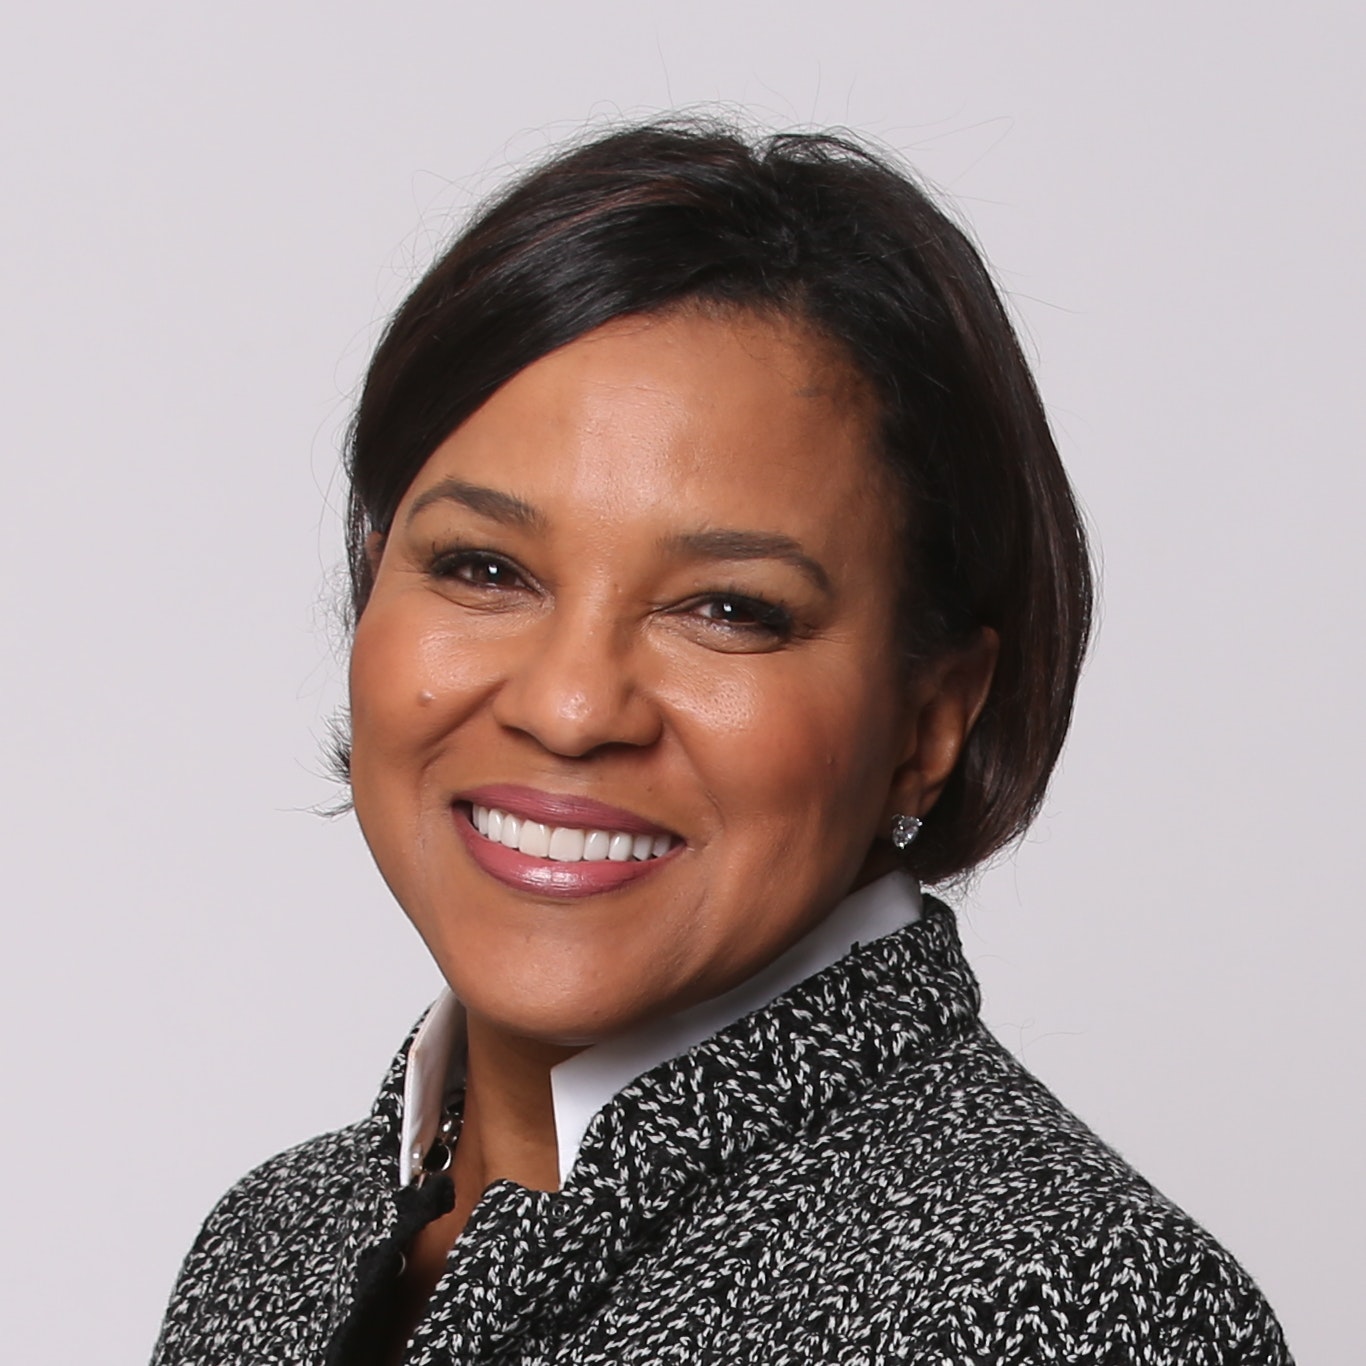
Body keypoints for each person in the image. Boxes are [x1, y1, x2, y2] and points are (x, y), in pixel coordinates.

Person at [150, 119, 1293, 1365]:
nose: (572, 706)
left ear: (933, 715)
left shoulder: (1064, 1304)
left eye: (730, 610)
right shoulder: (274, 1242)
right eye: (484, 567)